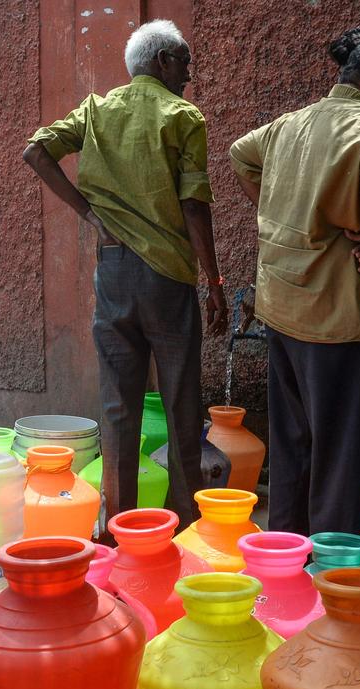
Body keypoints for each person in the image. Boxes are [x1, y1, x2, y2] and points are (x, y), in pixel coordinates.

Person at [23, 19, 226, 533]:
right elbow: (194, 205)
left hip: (112, 273)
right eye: (183, 61)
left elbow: (36, 151)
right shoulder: (183, 116)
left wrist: (88, 214)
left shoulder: (96, 110)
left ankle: (120, 530)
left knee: (118, 409)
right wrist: (216, 282)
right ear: (161, 62)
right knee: (182, 404)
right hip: (168, 277)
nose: (189, 73)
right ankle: (184, 526)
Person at [229, 27, 360, 537]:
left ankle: (285, 568)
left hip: (284, 313)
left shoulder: (291, 125)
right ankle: (331, 589)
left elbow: (239, 155)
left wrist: (282, 213)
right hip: (345, 323)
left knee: (294, 454)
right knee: (344, 464)